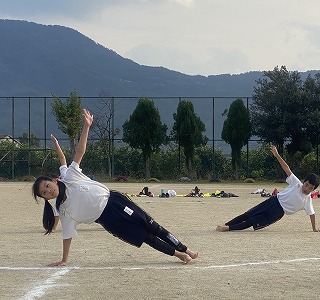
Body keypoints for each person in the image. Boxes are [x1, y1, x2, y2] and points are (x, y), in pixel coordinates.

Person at [33, 109, 198, 266]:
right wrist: (64, 260)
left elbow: (79, 152)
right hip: (108, 219)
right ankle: (179, 255)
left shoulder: (69, 175)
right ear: (45, 199)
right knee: (146, 237)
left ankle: (185, 249)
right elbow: (67, 236)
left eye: (47, 186)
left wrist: (86, 126)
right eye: (44, 193)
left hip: (115, 201)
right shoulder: (62, 209)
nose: (48, 191)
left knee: (152, 225)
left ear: (54, 180)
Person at [216, 145, 320, 233]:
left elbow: (312, 214)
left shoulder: (307, 200)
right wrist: (277, 155)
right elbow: (286, 168)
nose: (307, 189)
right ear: (304, 182)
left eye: (310, 188)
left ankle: (227, 229)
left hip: (277, 212)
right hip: (273, 201)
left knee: (252, 221)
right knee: (248, 214)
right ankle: (226, 224)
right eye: (306, 185)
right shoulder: (296, 183)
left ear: (313, 190)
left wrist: (314, 228)